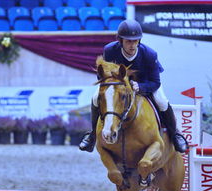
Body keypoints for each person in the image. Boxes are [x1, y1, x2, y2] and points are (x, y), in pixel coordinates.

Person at [79, 19, 188, 153]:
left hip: (145, 82)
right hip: (118, 84)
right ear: (120, 41)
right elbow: (103, 76)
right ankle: (92, 135)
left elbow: (155, 82)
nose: (132, 45)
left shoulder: (149, 54)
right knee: (96, 97)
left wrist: (140, 87)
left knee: (162, 101)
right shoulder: (110, 51)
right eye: (128, 41)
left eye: (135, 41)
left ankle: (175, 134)